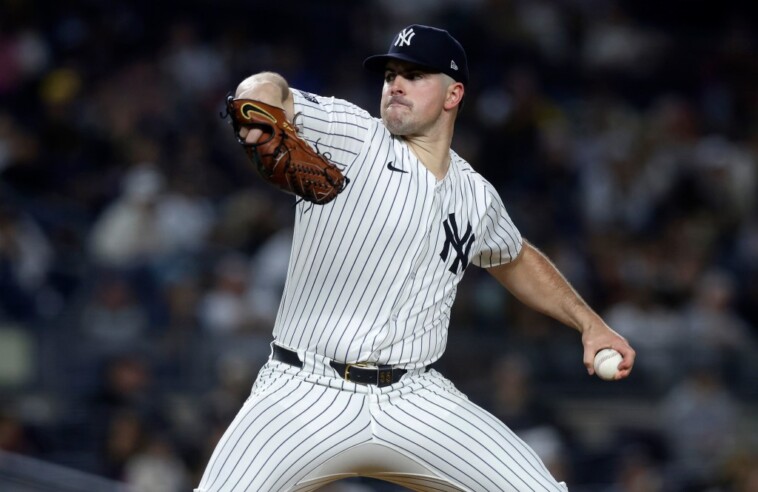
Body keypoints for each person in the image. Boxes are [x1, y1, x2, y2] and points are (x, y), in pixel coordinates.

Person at [196, 24, 635, 492]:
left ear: (454, 94)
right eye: (390, 76)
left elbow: (515, 257)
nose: (395, 85)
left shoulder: (476, 196)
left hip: (414, 397)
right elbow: (272, 91)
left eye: (415, 75)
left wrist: (589, 323)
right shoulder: (353, 137)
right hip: (303, 390)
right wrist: (256, 104)